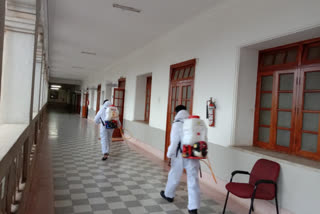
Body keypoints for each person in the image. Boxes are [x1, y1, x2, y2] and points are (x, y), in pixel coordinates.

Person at [160, 105, 200, 214]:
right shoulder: (194, 123)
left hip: (180, 155)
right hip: (193, 155)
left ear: (176, 112)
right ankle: (193, 208)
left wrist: (169, 155)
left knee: (174, 175)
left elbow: (174, 142)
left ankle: (169, 195)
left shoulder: (177, 123)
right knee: (193, 180)